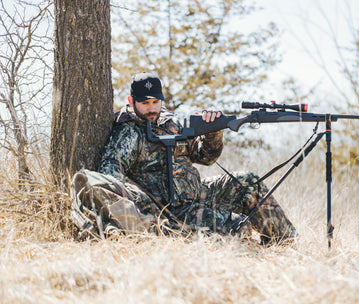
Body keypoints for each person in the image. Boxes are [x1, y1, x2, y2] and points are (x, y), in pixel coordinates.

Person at [70, 72, 297, 244]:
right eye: (144, 103)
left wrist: (212, 131)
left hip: (199, 193)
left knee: (249, 183)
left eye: (155, 102)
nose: (151, 109)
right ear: (131, 101)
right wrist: (147, 208)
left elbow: (205, 157)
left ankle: (287, 245)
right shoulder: (128, 132)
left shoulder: (172, 123)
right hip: (171, 212)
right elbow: (110, 177)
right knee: (238, 228)